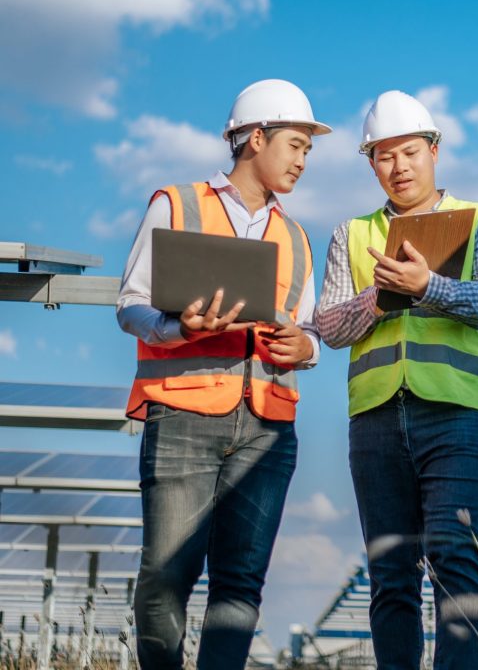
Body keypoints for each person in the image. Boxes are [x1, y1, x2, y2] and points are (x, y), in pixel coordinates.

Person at [117, 79, 330, 669]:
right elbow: (130, 303)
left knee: (240, 587)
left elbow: (308, 331)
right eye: (295, 144)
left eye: (308, 149)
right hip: (183, 413)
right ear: (255, 138)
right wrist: (179, 327)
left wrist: (303, 348)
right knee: (165, 578)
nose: (302, 160)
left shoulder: (296, 236)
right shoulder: (177, 204)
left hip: (267, 427)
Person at [316, 90, 478, 669]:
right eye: (383, 156)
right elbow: (328, 325)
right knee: (390, 569)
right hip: (375, 421)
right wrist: (381, 298)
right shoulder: (350, 234)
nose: (398, 167)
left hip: (457, 415)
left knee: (456, 555)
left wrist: (428, 286)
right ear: (370, 163)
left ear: (434, 150)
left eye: (409, 152)